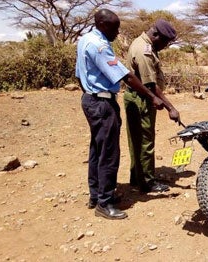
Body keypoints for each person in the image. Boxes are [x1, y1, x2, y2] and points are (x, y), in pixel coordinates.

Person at [76, 9, 165, 220]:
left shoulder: (85, 39)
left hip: (90, 99)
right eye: (115, 28)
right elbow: (126, 76)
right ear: (103, 25)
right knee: (108, 154)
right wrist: (152, 96)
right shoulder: (99, 46)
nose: (118, 32)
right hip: (102, 103)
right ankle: (104, 204)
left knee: (97, 150)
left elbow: (79, 74)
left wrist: (89, 92)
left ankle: (96, 196)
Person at [124, 19, 180, 193]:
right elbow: (151, 85)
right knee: (145, 141)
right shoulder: (144, 50)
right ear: (155, 35)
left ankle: (137, 177)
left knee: (137, 140)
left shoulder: (144, 44)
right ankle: (147, 182)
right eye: (164, 42)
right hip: (141, 100)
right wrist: (171, 108)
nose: (165, 46)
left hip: (136, 97)